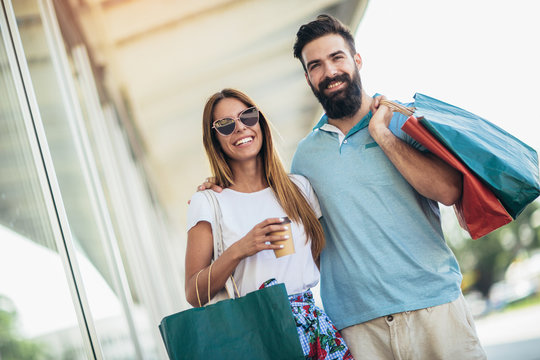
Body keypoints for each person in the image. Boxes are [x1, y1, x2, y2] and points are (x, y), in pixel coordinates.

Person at [200, 15, 487, 360]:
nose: (330, 71)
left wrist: (382, 136)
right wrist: (222, 182)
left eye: (337, 57)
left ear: (357, 59)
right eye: (316, 65)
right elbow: (300, 233)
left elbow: (448, 191)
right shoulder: (306, 157)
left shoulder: (401, 119)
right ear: (308, 78)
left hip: (435, 308)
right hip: (358, 328)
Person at [185, 88, 353, 359]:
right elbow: (194, 294)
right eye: (226, 125)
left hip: (314, 330)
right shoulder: (208, 202)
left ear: (260, 121)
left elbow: (328, 263)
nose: (240, 128)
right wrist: (240, 249)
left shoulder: (298, 188)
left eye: (248, 117)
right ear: (214, 138)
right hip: (256, 336)